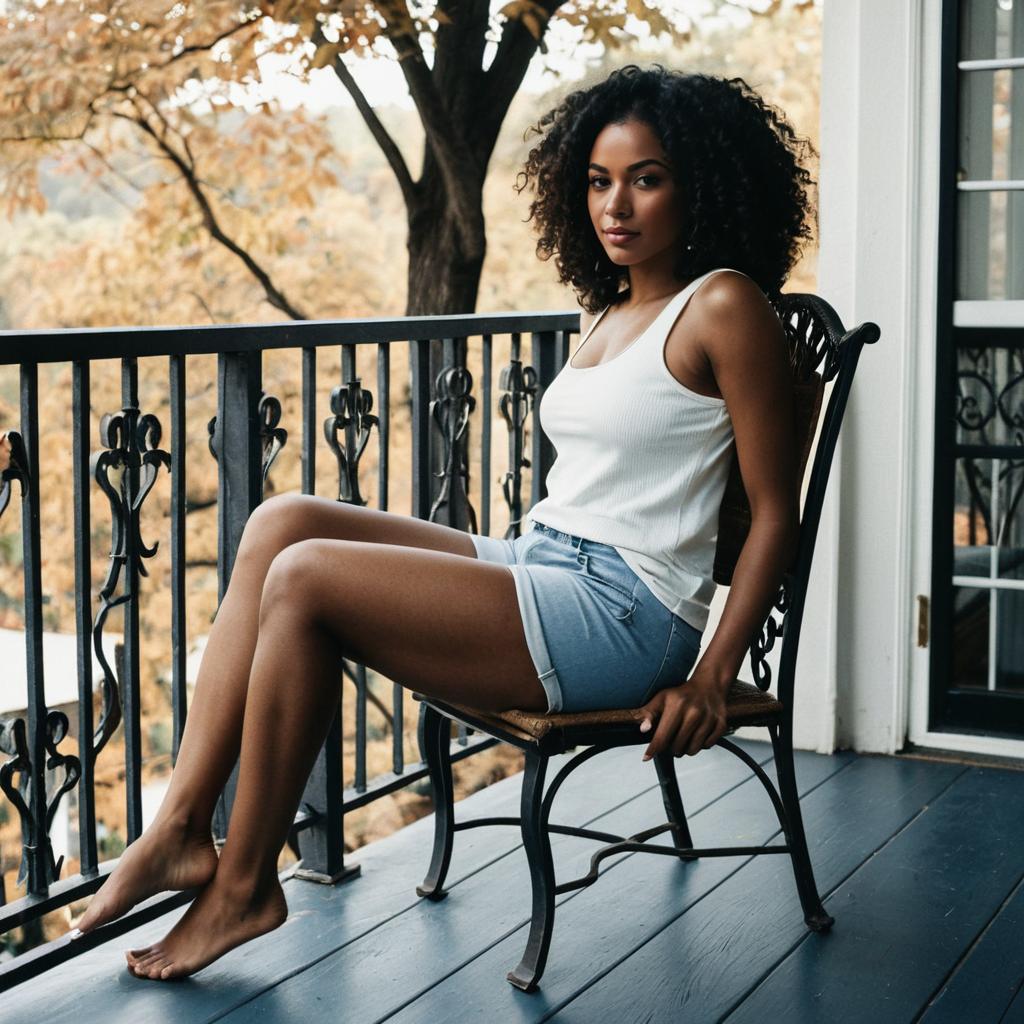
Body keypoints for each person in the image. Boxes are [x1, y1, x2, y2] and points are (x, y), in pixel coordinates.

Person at [72, 64, 815, 980]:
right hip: (547, 562)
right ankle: (183, 828)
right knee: (280, 522)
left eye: (647, 177)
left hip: (627, 613)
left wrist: (712, 676)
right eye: (597, 180)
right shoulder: (615, 306)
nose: (615, 205)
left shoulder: (724, 304)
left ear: (701, 183)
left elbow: (776, 511)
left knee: (306, 581)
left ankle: (245, 885)